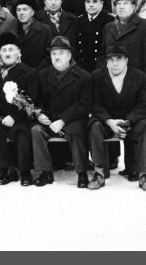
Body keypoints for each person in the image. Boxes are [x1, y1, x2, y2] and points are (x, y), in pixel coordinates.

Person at [87, 45, 146, 193]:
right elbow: (95, 104)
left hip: (130, 121)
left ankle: (143, 175)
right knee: (94, 126)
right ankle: (99, 173)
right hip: (107, 121)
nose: (115, 63)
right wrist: (109, 121)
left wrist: (129, 121)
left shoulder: (139, 77)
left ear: (126, 60)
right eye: (111, 59)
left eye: (119, 59)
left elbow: (143, 106)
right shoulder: (97, 76)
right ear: (106, 61)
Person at [31, 36, 91, 188]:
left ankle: (82, 172)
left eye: (61, 53)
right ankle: (44, 172)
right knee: (36, 130)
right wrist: (40, 114)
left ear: (69, 55)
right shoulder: (42, 75)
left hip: (72, 120)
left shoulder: (84, 77)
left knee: (77, 132)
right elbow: (36, 100)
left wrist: (63, 120)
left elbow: (83, 105)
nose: (57, 57)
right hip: (49, 120)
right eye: (54, 53)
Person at [0, 32, 37, 186]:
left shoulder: (29, 72)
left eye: (11, 49)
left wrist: (14, 116)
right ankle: (8, 170)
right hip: (1, 116)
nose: (7, 53)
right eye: (4, 50)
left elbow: (32, 99)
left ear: (18, 53)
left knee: (22, 132)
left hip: (21, 117)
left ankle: (25, 171)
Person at [103, 0, 146, 88]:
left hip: (136, 85)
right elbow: (103, 55)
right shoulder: (108, 27)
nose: (121, 7)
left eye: (125, 3)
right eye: (118, 4)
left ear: (133, 6)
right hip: (111, 85)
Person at [75, 0, 114, 73]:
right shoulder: (79, 21)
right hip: (82, 69)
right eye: (88, 2)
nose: (91, 5)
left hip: (101, 69)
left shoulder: (110, 21)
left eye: (95, 1)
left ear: (102, 3)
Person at [13, 0, 51, 69]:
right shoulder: (13, 28)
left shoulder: (45, 30)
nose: (21, 13)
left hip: (38, 72)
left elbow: (49, 56)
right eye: (18, 10)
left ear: (32, 12)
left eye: (25, 9)